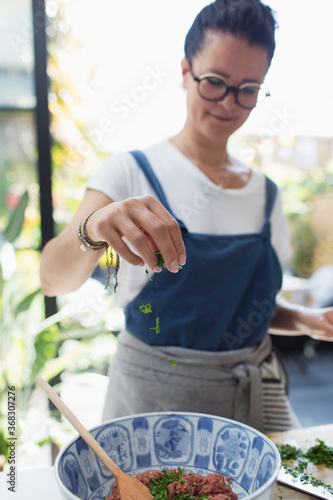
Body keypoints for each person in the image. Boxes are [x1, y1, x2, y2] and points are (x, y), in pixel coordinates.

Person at [40, 0, 333, 433]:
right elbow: (52, 278)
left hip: (247, 405)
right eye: (215, 82)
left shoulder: (265, 194)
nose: (229, 104)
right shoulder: (130, 171)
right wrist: (93, 227)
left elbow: (244, 309)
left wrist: (307, 322)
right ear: (184, 71)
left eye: (249, 88)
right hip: (151, 403)